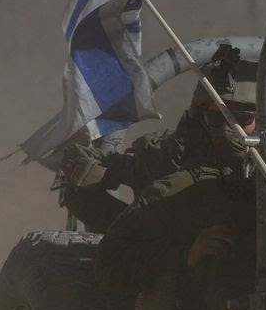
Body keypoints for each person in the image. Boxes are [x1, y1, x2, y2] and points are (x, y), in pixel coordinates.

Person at [55, 44, 255, 233]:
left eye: (243, 117)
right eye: (216, 117)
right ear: (201, 117)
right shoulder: (176, 157)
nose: (230, 128)